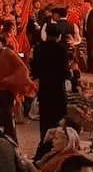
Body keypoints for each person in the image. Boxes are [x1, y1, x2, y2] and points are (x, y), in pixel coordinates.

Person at [0, 34, 35, 145]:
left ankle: (13, 144)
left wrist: (8, 80)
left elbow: (23, 70)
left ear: (3, 44)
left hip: (6, 92)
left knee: (7, 120)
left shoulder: (8, 53)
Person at [31, 29, 70, 162]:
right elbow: (65, 72)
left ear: (46, 35)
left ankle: (44, 150)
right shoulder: (61, 49)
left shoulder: (39, 48)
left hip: (45, 91)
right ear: (59, 36)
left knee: (45, 124)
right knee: (59, 123)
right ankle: (57, 151)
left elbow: (34, 71)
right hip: (58, 92)